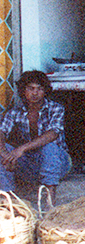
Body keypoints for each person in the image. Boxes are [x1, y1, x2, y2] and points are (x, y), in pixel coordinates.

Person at [0, 71, 72, 199]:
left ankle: (50, 202)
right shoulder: (15, 112)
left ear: (45, 91)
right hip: (31, 164)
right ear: (23, 91)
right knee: (2, 151)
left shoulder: (55, 108)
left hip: (58, 163)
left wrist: (22, 148)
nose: (35, 93)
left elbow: (53, 134)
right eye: (31, 89)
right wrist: (5, 153)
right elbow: (2, 131)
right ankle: (9, 200)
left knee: (49, 147)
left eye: (39, 89)